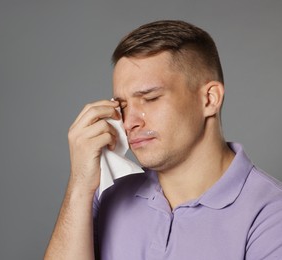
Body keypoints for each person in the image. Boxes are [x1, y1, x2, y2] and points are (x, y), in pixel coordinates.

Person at [44, 20, 282, 259]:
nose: (129, 123)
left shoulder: (271, 214)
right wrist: (79, 185)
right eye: (123, 106)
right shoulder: (107, 196)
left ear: (209, 99)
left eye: (151, 98)